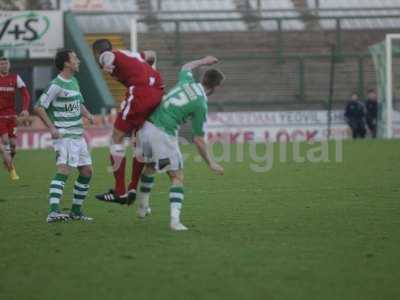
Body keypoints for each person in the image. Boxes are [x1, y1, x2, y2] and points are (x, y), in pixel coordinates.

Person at [134, 56, 224, 231]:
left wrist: (204, 61)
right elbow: (198, 139)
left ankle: (143, 206)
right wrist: (211, 163)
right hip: (163, 134)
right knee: (177, 177)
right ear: (215, 87)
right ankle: (175, 221)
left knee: (151, 167)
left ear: (203, 78)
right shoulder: (201, 104)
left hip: (146, 128)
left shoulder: (187, 81)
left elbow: (186, 65)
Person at [92, 39, 164, 205]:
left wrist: (107, 64)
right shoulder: (133, 55)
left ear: (96, 53)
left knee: (116, 139)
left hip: (140, 93)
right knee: (139, 141)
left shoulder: (107, 55)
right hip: (157, 91)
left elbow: (107, 56)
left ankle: (119, 191)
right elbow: (152, 54)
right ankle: (132, 188)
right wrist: (149, 71)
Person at [34, 49, 95, 223]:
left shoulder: (74, 81)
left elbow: (78, 104)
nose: (78, 61)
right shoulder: (56, 84)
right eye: (75, 58)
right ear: (67, 63)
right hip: (64, 135)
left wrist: (88, 114)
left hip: (78, 135)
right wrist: (52, 128)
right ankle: (53, 212)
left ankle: (75, 211)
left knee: (87, 171)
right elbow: (39, 106)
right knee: (64, 170)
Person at [0, 55, 31, 180]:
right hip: (0, 116)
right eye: (1, 64)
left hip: (12, 116)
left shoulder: (15, 78)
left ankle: (8, 162)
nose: (4, 65)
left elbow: (25, 94)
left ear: (9, 65)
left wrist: (24, 109)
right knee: (6, 142)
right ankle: (13, 172)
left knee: (13, 146)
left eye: (6, 63)